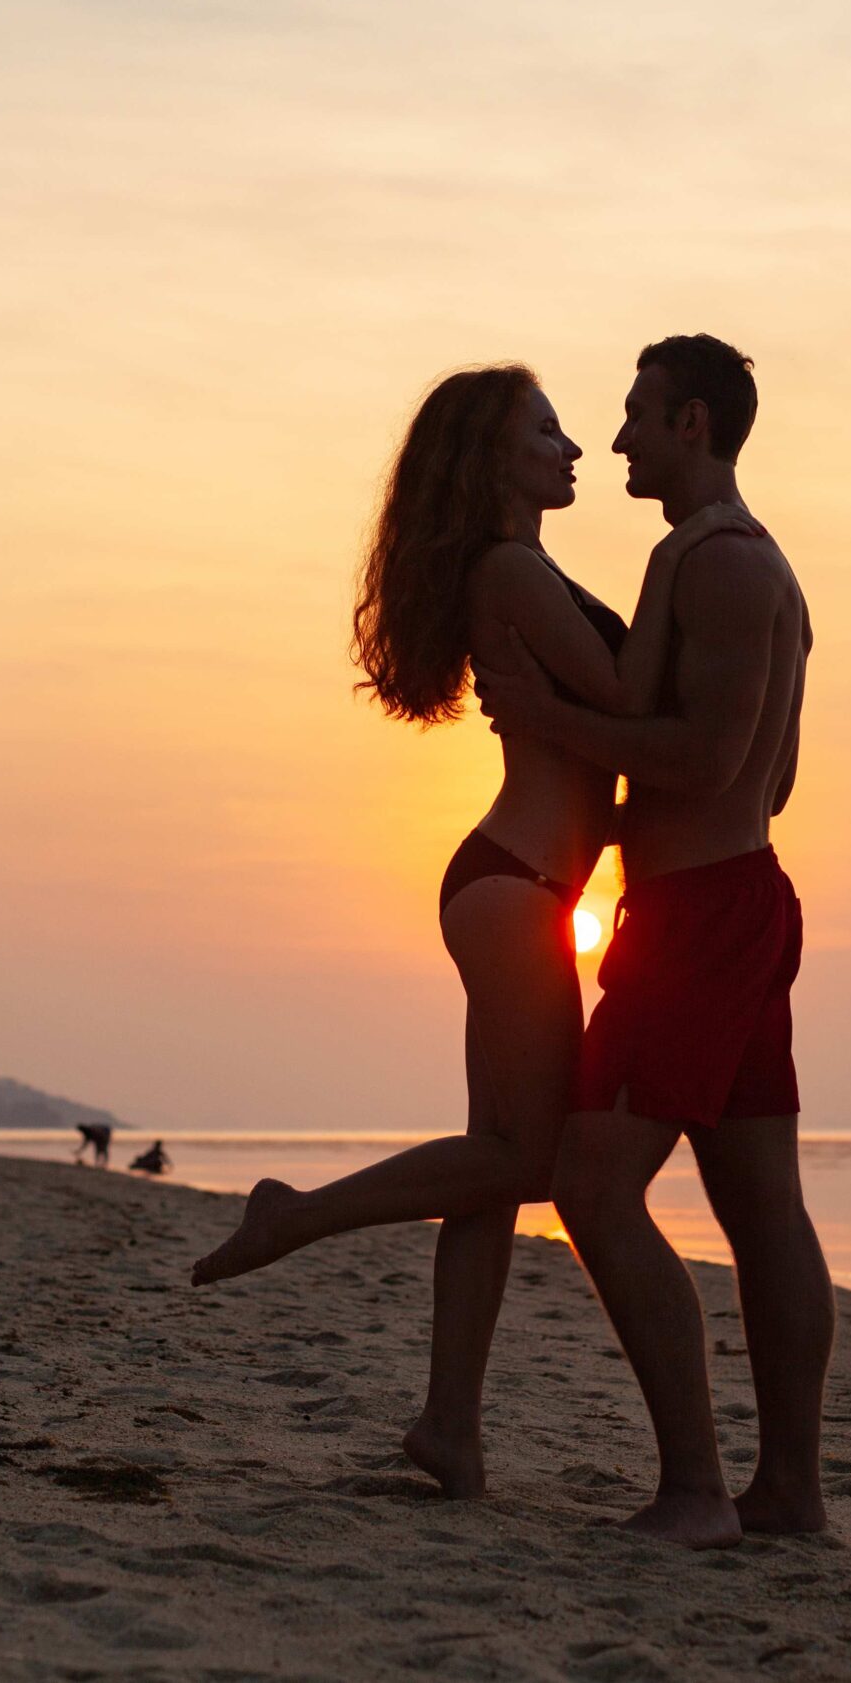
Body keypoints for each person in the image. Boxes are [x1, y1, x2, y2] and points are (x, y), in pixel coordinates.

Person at [191, 362, 748, 1498]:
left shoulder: (528, 569)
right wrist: (695, 572)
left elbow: (606, 706)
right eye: (546, 431)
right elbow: (629, 700)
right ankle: (297, 1215)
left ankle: (449, 1425)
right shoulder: (511, 570)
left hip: (513, 884)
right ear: (493, 459)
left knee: (492, 1168)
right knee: (527, 1159)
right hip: (518, 892)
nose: (575, 447)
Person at [473, 334, 825, 1550]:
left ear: (690, 423)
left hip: (702, 924)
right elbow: (762, 785)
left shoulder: (721, 564)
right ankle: (788, 1494)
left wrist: (546, 716)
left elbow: (717, 762)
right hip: (729, 900)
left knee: (587, 1179)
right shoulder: (726, 560)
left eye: (632, 415)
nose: (614, 438)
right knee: (759, 1206)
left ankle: (696, 1492)